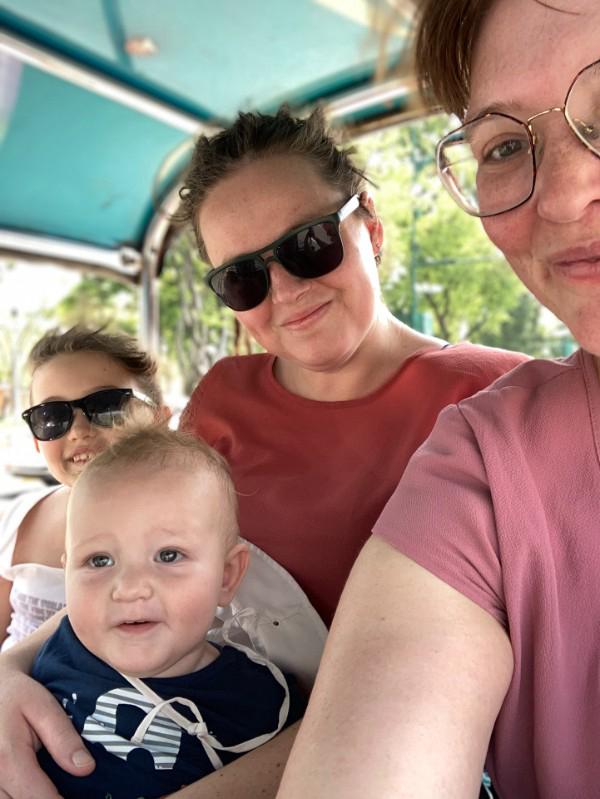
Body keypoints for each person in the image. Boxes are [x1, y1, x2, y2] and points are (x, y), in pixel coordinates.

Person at [0, 107, 527, 799]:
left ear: (368, 223)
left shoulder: (501, 400)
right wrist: (14, 669)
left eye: (309, 243)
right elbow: (138, 562)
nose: (285, 289)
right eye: (244, 277)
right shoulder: (223, 396)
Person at [275, 2, 600, 798]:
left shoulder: (479, 407)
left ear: (371, 234)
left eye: (307, 246)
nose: (561, 196)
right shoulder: (481, 454)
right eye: (507, 146)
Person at [33, 427, 304, 799]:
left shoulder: (262, 701)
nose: (129, 587)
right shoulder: (56, 654)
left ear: (226, 576)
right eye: (99, 560)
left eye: (169, 555)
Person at [0, 326, 166, 649]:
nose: (78, 430)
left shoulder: (189, 528)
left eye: (107, 406)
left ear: (159, 419)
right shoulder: (19, 521)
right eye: (51, 415)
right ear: (37, 440)